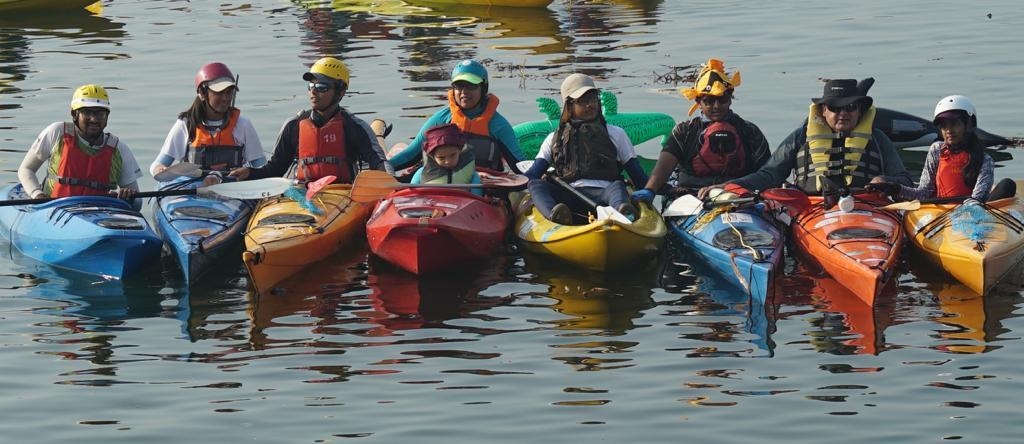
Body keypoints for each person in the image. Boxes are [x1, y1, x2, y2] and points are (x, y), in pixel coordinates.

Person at [714, 78, 914, 198]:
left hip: (866, 207)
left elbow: (905, 180)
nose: (843, 113)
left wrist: (886, 180)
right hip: (812, 209)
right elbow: (770, 175)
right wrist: (730, 185)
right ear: (823, 111)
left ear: (860, 110)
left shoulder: (878, 139)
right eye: (835, 108)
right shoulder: (801, 137)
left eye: (850, 107)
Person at [229, 56, 389, 183]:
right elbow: (275, 169)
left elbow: (379, 162)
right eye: (311, 87)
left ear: (340, 92)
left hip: (343, 197)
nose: (314, 92)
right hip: (303, 195)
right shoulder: (293, 125)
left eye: (321, 88)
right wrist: (249, 173)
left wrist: (389, 182)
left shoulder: (354, 127)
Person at [632, 58, 770, 205]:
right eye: (709, 101)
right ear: (698, 102)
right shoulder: (684, 131)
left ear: (730, 99)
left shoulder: (749, 131)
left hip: (739, 195)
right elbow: (664, 166)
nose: (716, 106)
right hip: (691, 196)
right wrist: (650, 190)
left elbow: (767, 173)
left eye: (722, 99)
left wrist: (728, 187)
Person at [523, 73, 649, 224]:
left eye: (593, 98)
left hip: (604, 194)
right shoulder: (553, 139)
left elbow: (637, 175)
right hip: (568, 196)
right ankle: (555, 215)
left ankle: (622, 213)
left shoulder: (616, 134)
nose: (590, 104)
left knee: (617, 186)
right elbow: (533, 174)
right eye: (582, 101)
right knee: (536, 185)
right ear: (569, 106)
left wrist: (664, 189)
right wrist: (505, 185)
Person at [384, 59, 524, 174]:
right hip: (443, 185)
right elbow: (411, 154)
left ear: (484, 88)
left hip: (484, 189)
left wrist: (537, 177)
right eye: (459, 86)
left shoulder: (498, 124)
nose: (464, 92)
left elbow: (518, 163)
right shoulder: (441, 119)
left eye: (471, 86)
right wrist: (383, 167)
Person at [868, 95, 1015, 203]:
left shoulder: (985, 160)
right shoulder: (936, 150)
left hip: (969, 211)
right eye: (944, 126)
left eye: (954, 124)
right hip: (938, 212)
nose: (948, 130)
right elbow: (924, 193)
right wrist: (896, 188)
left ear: (969, 125)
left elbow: (977, 199)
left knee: (1008, 185)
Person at [17, 84, 143, 208]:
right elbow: (26, 170)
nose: (94, 119)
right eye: (87, 112)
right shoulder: (57, 132)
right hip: (55, 209)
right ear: (74, 114)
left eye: (100, 113)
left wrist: (129, 198)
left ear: (107, 116)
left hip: (100, 215)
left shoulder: (120, 149)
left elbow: (138, 204)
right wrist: (37, 195)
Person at [150, 62, 266, 185]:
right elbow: (157, 165)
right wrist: (160, 169)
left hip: (232, 190)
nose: (226, 98)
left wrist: (249, 172)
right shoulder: (185, 124)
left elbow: (262, 168)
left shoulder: (243, 125)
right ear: (202, 93)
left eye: (229, 92)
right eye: (219, 93)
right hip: (193, 191)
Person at [411, 123, 483, 196]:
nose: (448, 161)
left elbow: (477, 198)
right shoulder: (421, 173)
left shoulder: (472, 175)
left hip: (462, 204)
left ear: (460, 150)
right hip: (430, 205)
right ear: (432, 156)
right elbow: (412, 195)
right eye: (441, 158)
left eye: (453, 155)